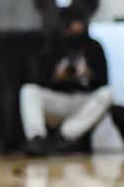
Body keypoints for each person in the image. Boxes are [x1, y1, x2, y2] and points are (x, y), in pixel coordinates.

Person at [19, 13, 113, 154]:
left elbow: (104, 82)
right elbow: (36, 79)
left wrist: (88, 73)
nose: (75, 34)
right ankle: (37, 138)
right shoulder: (49, 47)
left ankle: (63, 138)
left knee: (107, 94)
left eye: (78, 30)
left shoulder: (94, 47)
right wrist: (56, 77)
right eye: (71, 30)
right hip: (56, 100)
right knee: (29, 90)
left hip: (82, 101)